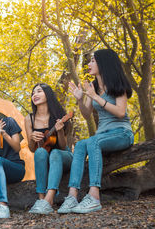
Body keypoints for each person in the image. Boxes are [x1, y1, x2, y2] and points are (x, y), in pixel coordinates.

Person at [58, 48, 134, 214]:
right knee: (80, 145)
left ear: (103, 63)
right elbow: (86, 114)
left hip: (122, 133)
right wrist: (80, 99)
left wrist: (95, 97)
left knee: (91, 141)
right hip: (102, 136)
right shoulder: (92, 86)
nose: (89, 64)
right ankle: (72, 196)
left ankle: (94, 196)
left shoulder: (117, 83)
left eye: (93, 60)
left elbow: (121, 112)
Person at [25, 83, 73, 214]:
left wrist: (60, 131)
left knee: (56, 153)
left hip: (63, 156)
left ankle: (49, 199)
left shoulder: (59, 114)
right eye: (33, 93)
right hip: (45, 158)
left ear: (48, 94)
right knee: (40, 151)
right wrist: (31, 138)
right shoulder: (29, 119)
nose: (35, 95)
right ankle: (41, 200)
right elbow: (32, 149)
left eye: (39, 91)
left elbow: (63, 146)